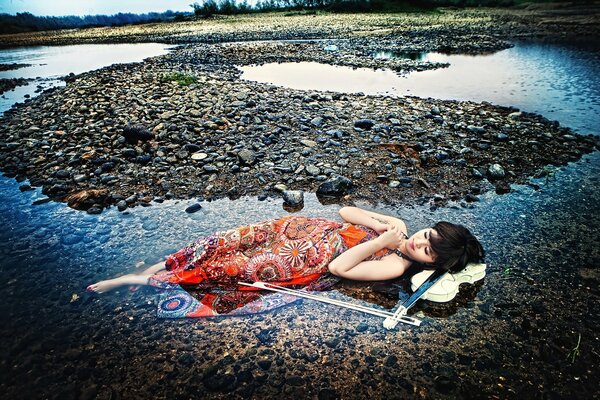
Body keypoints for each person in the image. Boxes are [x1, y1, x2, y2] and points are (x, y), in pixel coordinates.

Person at [87, 206, 484, 317]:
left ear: (431, 265)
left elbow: (339, 269)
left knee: (225, 269)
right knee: (220, 242)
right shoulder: (399, 228)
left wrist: (382, 240)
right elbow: (346, 212)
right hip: (295, 230)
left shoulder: (396, 265)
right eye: (427, 235)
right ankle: (156, 268)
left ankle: (135, 281)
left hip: (300, 259)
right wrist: (384, 222)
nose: (419, 242)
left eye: (428, 250)